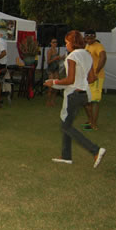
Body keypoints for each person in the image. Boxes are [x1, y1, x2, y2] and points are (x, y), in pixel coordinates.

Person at [44, 30, 106, 168]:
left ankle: (95, 150)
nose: (66, 45)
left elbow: (70, 79)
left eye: (66, 43)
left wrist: (53, 82)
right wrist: (80, 81)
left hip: (74, 95)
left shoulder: (72, 56)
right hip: (84, 94)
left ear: (72, 43)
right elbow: (91, 78)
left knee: (65, 126)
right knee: (67, 124)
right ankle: (66, 156)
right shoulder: (87, 54)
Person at [83, 30, 106, 131]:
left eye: (91, 38)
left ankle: (94, 124)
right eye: (87, 38)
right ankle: (90, 120)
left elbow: (103, 57)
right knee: (87, 100)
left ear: (95, 37)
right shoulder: (87, 45)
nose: (89, 40)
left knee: (95, 101)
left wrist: (96, 71)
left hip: (96, 77)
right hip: (88, 77)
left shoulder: (98, 46)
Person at [46, 38, 63, 107]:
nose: (55, 43)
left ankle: (53, 101)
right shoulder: (49, 51)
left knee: (56, 86)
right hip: (51, 69)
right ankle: (48, 101)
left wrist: (61, 58)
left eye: (56, 42)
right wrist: (55, 59)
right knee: (51, 86)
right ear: (51, 43)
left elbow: (58, 60)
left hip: (56, 69)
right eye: (53, 42)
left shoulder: (56, 50)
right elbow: (48, 61)